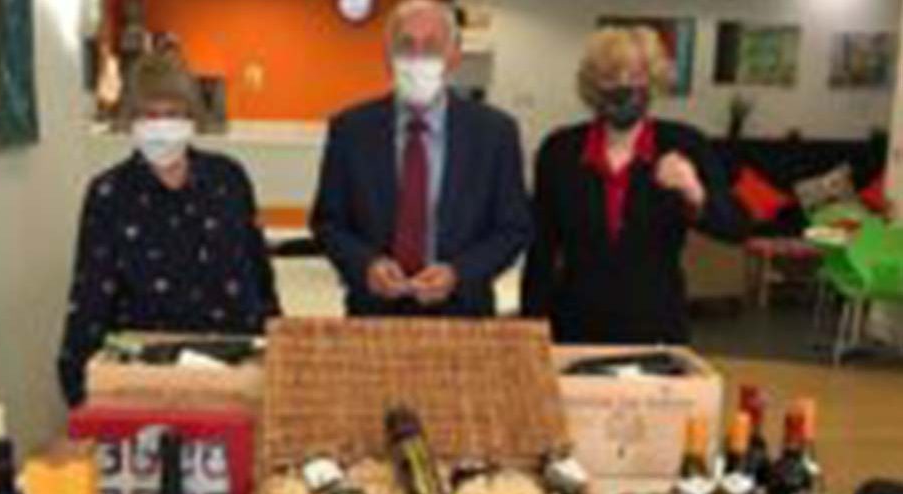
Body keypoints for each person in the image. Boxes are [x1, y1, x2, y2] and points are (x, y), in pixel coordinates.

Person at [57, 53, 280, 407]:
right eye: (149, 114)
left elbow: (259, 275)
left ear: (192, 117)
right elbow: (90, 297)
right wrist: (79, 390)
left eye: (173, 114)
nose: (162, 126)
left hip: (233, 374)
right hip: (145, 379)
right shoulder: (109, 194)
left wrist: (278, 354)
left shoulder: (228, 179)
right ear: (130, 119)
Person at [521, 27, 744, 344]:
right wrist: (530, 328)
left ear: (653, 81)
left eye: (636, 75)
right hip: (574, 326)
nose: (624, 86)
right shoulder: (560, 151)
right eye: (612, 76)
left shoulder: (684, 144)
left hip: (656, 326)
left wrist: (695, 191)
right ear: (594, 84)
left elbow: (735, 226)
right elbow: (541, 249)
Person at [312, 0, 532, 317]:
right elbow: (328, 222)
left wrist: (458, 273)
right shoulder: (351, 130)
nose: (417, 57)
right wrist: (366, 265)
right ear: (388, 57)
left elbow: (513, 228)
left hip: (463, 316)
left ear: (454, 56)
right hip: (373, 317)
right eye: (405, 46)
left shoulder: (494, 134)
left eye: (431, 46)